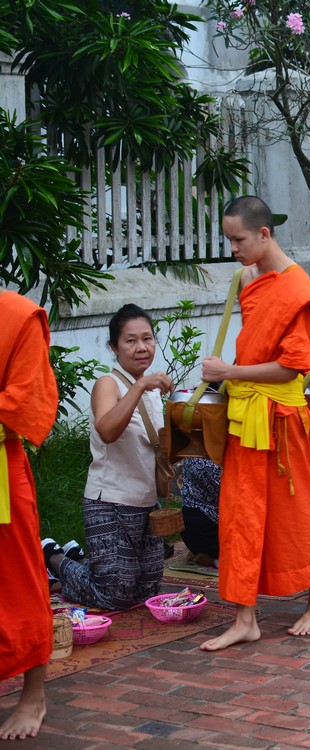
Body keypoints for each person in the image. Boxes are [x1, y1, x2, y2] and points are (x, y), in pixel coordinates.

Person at [198, 196, 310, 651]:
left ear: (263, 234)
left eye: (238, 239)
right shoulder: (248, 280)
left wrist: (229, 373)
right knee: (239, 514)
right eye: (229, 240)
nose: (233, 248)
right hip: (247, 418)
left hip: (282, 418)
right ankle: (245, 616)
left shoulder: (298, 289)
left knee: (294, 511)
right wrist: (234, 377)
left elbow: (292, 367)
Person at [48, 304, 170, 611]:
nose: (141, 347)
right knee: (113, 596)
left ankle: (82, 559)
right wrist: (141, 384)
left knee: (146, 592)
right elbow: (107, 431)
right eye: (130, 341)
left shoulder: (154, 391)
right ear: (114, 347)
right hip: (110, 502)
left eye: (147, 338)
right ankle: (54, 556)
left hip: (147, 503)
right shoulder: (108, 384)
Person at [0, 292, 58, 741]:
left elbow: (26, 401)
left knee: (18, 582)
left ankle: (33, 695)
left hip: (0, 465)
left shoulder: (18, 316)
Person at [177, 457, 221, 568]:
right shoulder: (209, 463)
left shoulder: (191, 455)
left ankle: (199, 552)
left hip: (188, 527)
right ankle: (214, 560)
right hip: (206, 530)